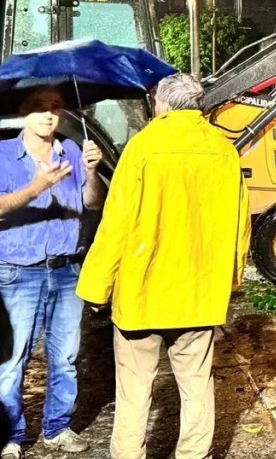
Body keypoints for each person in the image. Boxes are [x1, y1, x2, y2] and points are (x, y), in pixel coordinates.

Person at [76, 74, 251, 459]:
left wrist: (95, 288)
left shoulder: (142, 148)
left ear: (164, 105)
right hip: (198, 295)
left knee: (134, 391)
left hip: (142, 296)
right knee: (196, 386)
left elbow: (117, 225)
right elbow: (240, 227)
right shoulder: (224, 151)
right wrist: (230, 282)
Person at [0, 86, 104, 459]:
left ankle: (56, 428)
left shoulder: (73, 151)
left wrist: (91, 173)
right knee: (12, 362)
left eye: (55, 108)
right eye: (39, 108)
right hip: (17, 272)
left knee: (65, 357)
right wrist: (37, 187)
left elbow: (92, 203)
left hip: (66, 271)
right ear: (23, 114)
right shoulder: (3, 154)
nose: (48, 115)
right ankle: (9, 435)